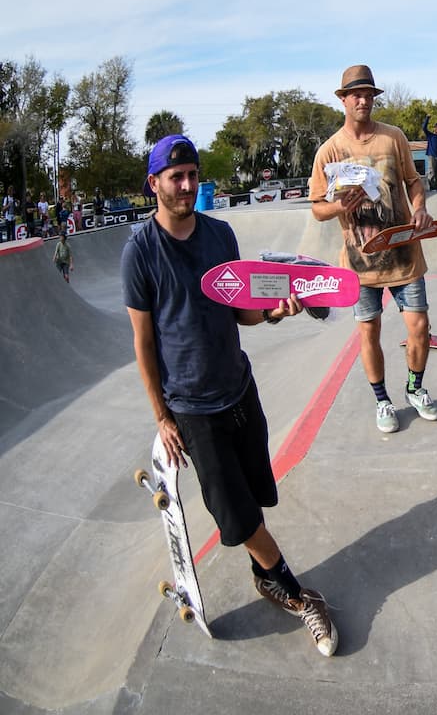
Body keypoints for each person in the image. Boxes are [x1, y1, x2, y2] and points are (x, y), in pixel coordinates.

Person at [123, 134, 338, 656]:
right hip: (192, 409)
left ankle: (261, 575)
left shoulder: (220, 235)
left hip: (239, 388)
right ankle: (294, 591)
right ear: (154, 184)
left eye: (193, 174)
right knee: (236, 517)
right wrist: (162, 417)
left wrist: (272, 310)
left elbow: (241, 308)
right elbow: (144, 343)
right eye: (176, 177)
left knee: (258, 495)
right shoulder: (141, 252)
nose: (187, 184)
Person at [310, 65, 437, 432]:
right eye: (356, 95)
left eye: (369, 94)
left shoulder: (393, 138)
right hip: (359, 265)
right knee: (368, 332)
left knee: (419, 325)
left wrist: (420, 208)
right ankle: (382, 400)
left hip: (404, 253)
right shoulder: (330, 150)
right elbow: (318, 207)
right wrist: (340, 207)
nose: (363, 100)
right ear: (343, 99)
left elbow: (414, 182)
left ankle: (415, 388)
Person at [421, 116, 437, 190]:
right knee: (432, 172)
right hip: (431, 155)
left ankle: (436, 187)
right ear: (434, 128)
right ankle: (431, 186)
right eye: (436, 127)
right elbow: (424, 128)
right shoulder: (430, 135)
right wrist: (427, 118)